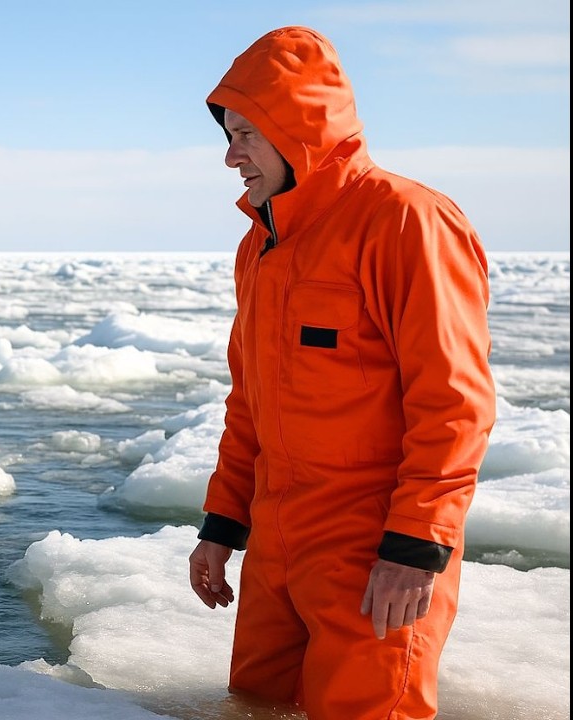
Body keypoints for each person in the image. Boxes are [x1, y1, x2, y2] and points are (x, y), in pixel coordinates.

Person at [186, 26, 495, 719]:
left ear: (297, 128)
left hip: (374, 553)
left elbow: (453, 403)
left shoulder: (406, 221)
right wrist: (223, 524)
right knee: (255, 706)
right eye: (228, 135)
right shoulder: (260, 246)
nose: (231, 156)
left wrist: (416, 546)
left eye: (246, 133)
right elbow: (249, 403)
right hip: (277, 548)